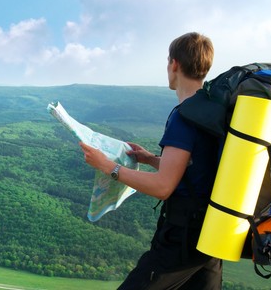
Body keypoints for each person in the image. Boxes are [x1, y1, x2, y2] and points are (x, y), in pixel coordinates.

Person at [80, 32, 222, 289]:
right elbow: (198, 168)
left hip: (183, 238)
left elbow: (163, 187)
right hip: (213, 234)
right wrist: (151, 159)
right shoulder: (212, 110)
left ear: (175, 64)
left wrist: (108, 167)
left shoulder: (184, 117)